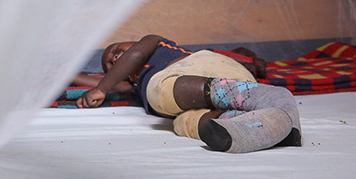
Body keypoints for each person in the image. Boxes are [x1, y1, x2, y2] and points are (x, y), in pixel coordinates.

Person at [76, 35, 302, 153]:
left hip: (209, 69)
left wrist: (101, 88)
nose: (114, 59)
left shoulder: (152, 43)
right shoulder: (135, 85)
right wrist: (64, 77)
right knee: (184, 122)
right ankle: (249, 125)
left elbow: (131, 58)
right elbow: (107, 84)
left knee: (159, 91)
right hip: (201, 96)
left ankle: (254, 96)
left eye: (116, 51)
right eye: (109, 64)